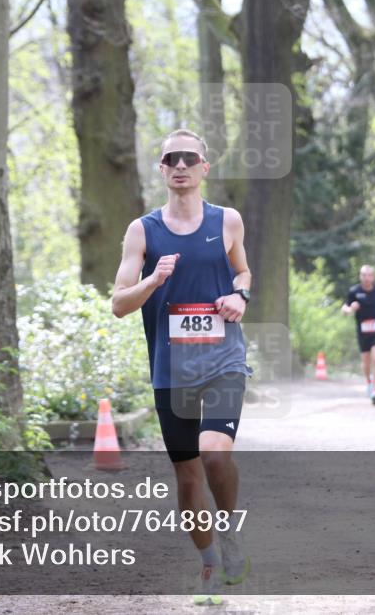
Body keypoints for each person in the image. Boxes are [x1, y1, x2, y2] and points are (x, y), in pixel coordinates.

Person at [111, 129, 252, 605]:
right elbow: (118, 304)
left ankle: (230, 533)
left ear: (204, 167)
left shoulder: (227, 220)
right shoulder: (143, 230)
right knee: (189, 477)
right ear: (162, 169)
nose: (180, 164)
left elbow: (244, 272)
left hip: (224, 361)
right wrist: (153, 279)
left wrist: (241, 294)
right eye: (170, 158)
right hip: (172, 371)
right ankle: (211, 562)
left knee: (215, 455)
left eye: (189, 157)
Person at [342, 265, 375, 405]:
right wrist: (350, 309)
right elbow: (344, 308)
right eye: (363, 275)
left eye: (369, 275)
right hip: (362, 331)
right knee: (366, 362)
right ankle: (369, 382)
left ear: (373, 277)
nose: (366, 278)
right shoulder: (354, 292)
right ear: (360, 276)